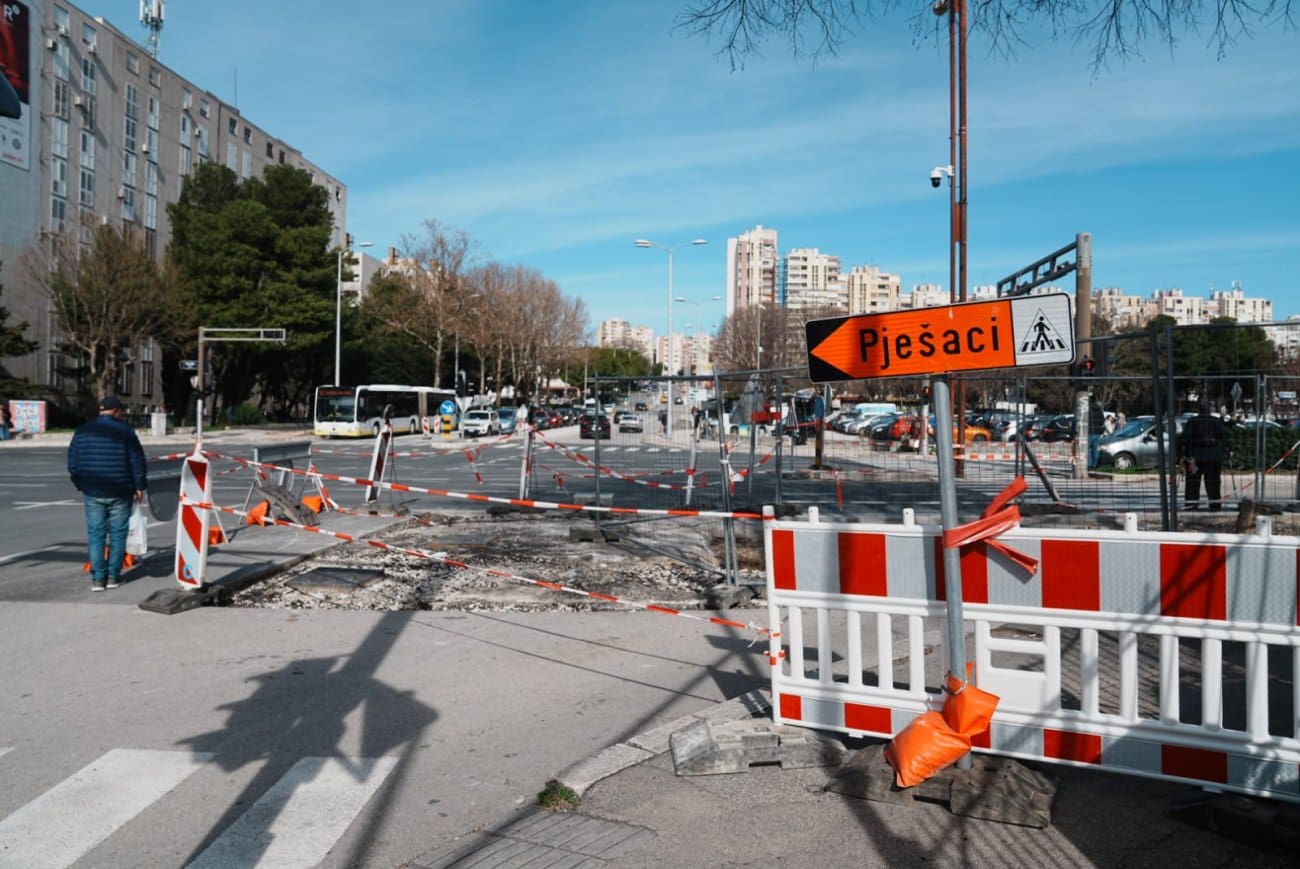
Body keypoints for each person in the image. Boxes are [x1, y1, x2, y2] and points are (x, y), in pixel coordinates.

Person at [67, 396, 148, 591]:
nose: (123, 415)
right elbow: (137, 460)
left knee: (96, 535)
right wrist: (139, 486)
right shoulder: (126, 431)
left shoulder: (82, 431)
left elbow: (73, 464)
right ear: (115, 411)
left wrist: (80, 484)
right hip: (120, 490)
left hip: (92, 490)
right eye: (121, 411)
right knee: (118, 535)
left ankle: (97, 579)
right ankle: (113, 577)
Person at [1177, 399, 1229, 512]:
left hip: (1195, 457)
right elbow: (1225, 436)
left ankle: (1192, 504)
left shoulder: (1192, 421)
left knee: (1192, 482)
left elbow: (1184, 438)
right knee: (1213, 482)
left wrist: (1180, 452)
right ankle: (1215, 505)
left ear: (1199, 410)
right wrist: (1227, 449)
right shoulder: (1215, 422)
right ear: (1209, 410)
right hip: (1213, 456)